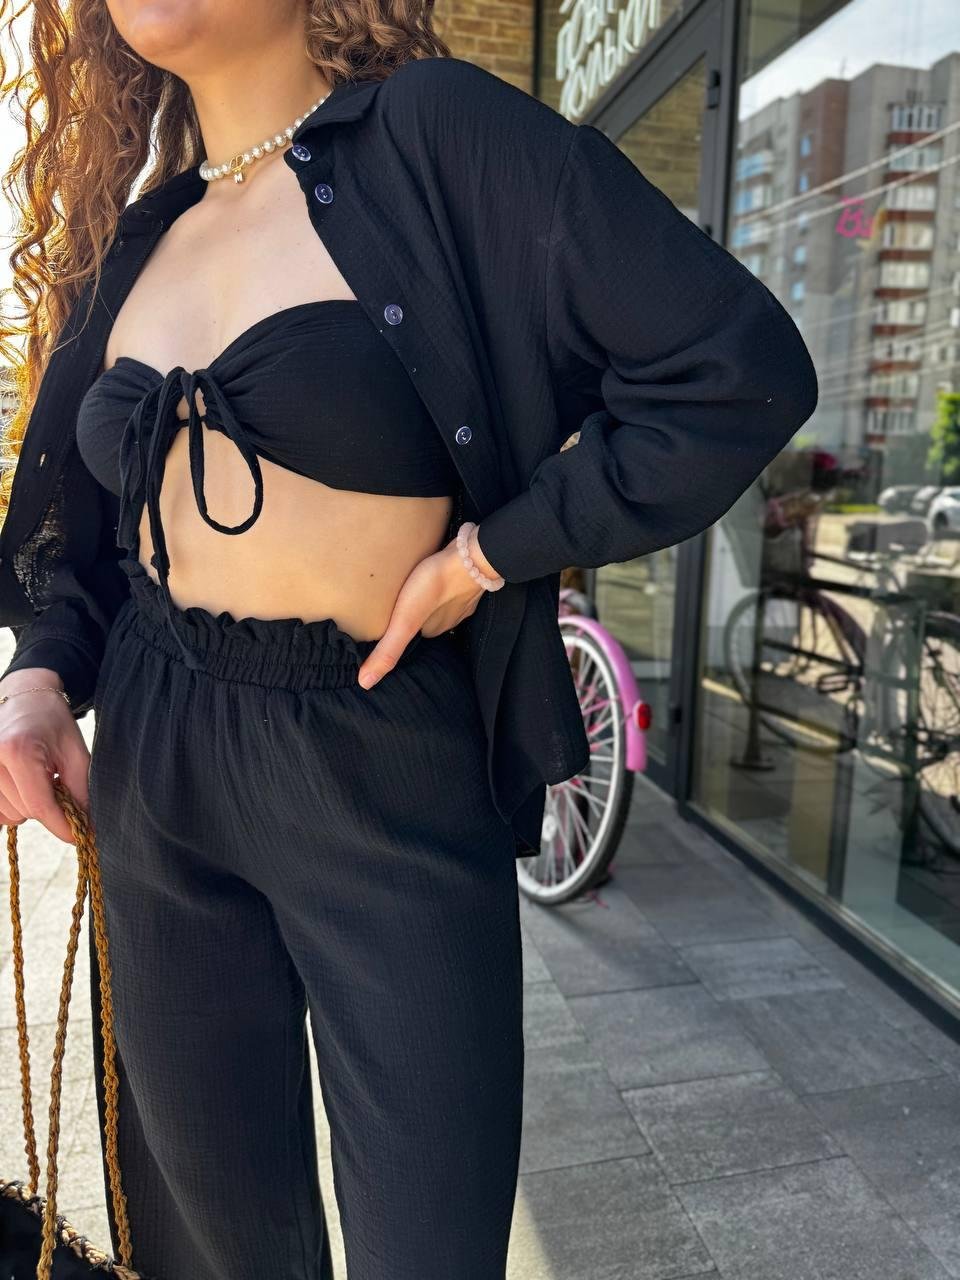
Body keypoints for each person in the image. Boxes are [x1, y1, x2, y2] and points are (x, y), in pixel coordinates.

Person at [0, 2, 818, 1278]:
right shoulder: (137, 235)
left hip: (379, 742)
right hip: (160, 753)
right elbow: (82, 540)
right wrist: (42, 675)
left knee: (427, 1237)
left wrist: (496, 551)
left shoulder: (436, 138)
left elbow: (734, 367)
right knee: (207, 1231)